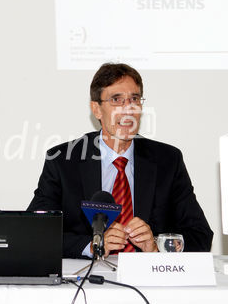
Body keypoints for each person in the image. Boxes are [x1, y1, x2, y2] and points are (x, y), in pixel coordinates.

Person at [27, 63, 213, 258]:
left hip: (148, 281)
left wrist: (157, 246)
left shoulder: (168, 160)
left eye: (134, 99)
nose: (128, 109)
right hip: (91, 282)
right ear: (96, 109)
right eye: (116, 99)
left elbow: (200, 235)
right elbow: (35, 232)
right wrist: (92, 245)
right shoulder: (63, 161)